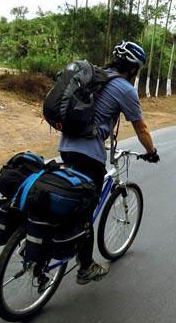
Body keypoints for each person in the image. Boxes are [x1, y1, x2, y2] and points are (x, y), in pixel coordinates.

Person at [59, 41, 160, 285]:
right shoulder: (125, 89)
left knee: (70, 197)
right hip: (88, 154)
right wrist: (152, 151)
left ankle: (59, 236)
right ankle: (85, 267)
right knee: (86, 210)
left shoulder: (96, 77)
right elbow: (141, 127)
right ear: (134, 69)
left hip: (66, 147)